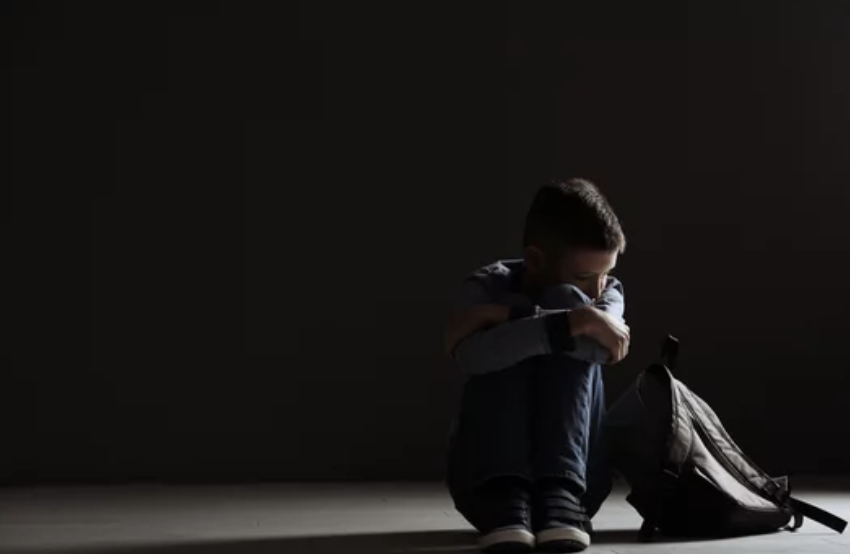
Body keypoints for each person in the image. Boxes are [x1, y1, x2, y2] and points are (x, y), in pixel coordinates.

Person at [444, 178, 630, 553]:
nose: (596, 291)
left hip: (577, 486)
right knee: (531, 330)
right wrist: (570, 320)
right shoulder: (487, 286)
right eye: (584, 277)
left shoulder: (609, 292)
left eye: (604, 274)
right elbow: (473, 357)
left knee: (546, 314)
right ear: (534, 260)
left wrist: (504, 317)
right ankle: (507, 488)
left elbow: (601, 351)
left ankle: (559, 487)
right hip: (486, 485)